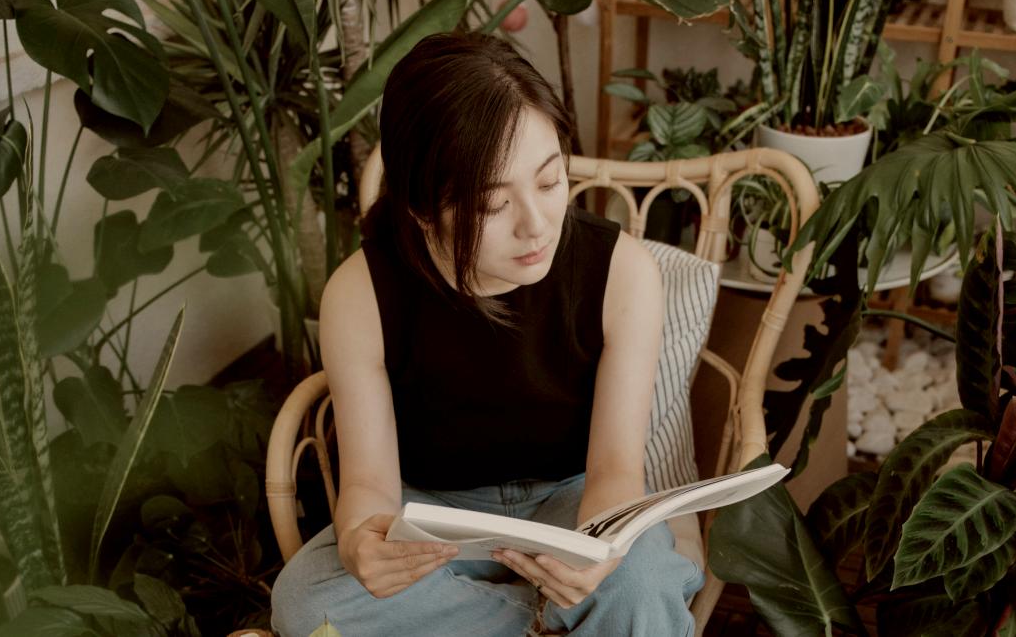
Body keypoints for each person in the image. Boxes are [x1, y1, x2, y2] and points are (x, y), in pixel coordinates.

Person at [270, 31, 704, 637]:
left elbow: (614, 471)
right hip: (434, 522)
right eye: (492, 205)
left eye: (550, 182)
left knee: (641, 580)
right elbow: (369, 482)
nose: (536, 225)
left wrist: (598, 553)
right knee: (305, 602)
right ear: (422, 209)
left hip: (571, 503)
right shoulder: (361, 293)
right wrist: (358, 543)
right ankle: (550, 626)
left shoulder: (623, 273)